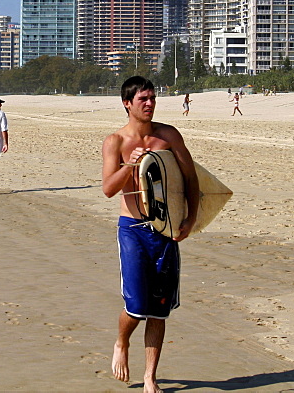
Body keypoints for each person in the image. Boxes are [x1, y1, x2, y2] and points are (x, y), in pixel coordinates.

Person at [101, 76, 199, 393]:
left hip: (166, 229)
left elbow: (191, 179)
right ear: (127, 103)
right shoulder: (115, 142)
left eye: (152, 97)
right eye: (143, 98)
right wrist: (129, 166)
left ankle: (149, 377)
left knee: (159, 307)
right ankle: (121, 341)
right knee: (136, 305)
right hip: (132, 230)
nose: (149, 103)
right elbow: (107, 189)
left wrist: (191, 219)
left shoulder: (168, 136)